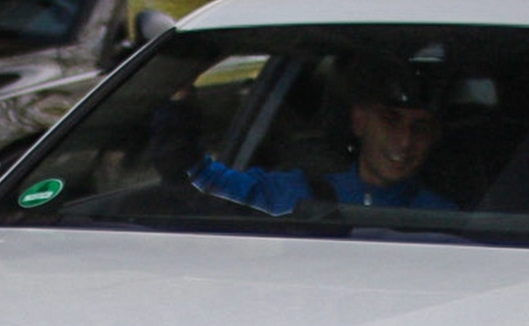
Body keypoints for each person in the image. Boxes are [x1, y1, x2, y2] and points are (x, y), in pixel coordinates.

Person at [187, 54, 458, 215]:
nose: (405, 140)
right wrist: (178, 99)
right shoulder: (297, 193)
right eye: (390, 120)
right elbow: (197, 177)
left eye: (421, 129)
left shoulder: (446, 217)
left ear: (434, 138)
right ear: (360, 121)